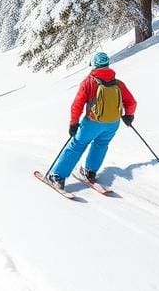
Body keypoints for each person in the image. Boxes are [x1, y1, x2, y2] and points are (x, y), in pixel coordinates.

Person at [47, 51, 137, 189]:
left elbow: (77, 105)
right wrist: (129, 116)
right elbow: (131, 102)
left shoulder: (88, 82)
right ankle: (90, 172)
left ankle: (57, 176)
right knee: (101, 145)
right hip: (113, 123)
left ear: (94, 65)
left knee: (77, 145)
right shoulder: (118, 83)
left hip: (92, 123)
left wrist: (74, 123)